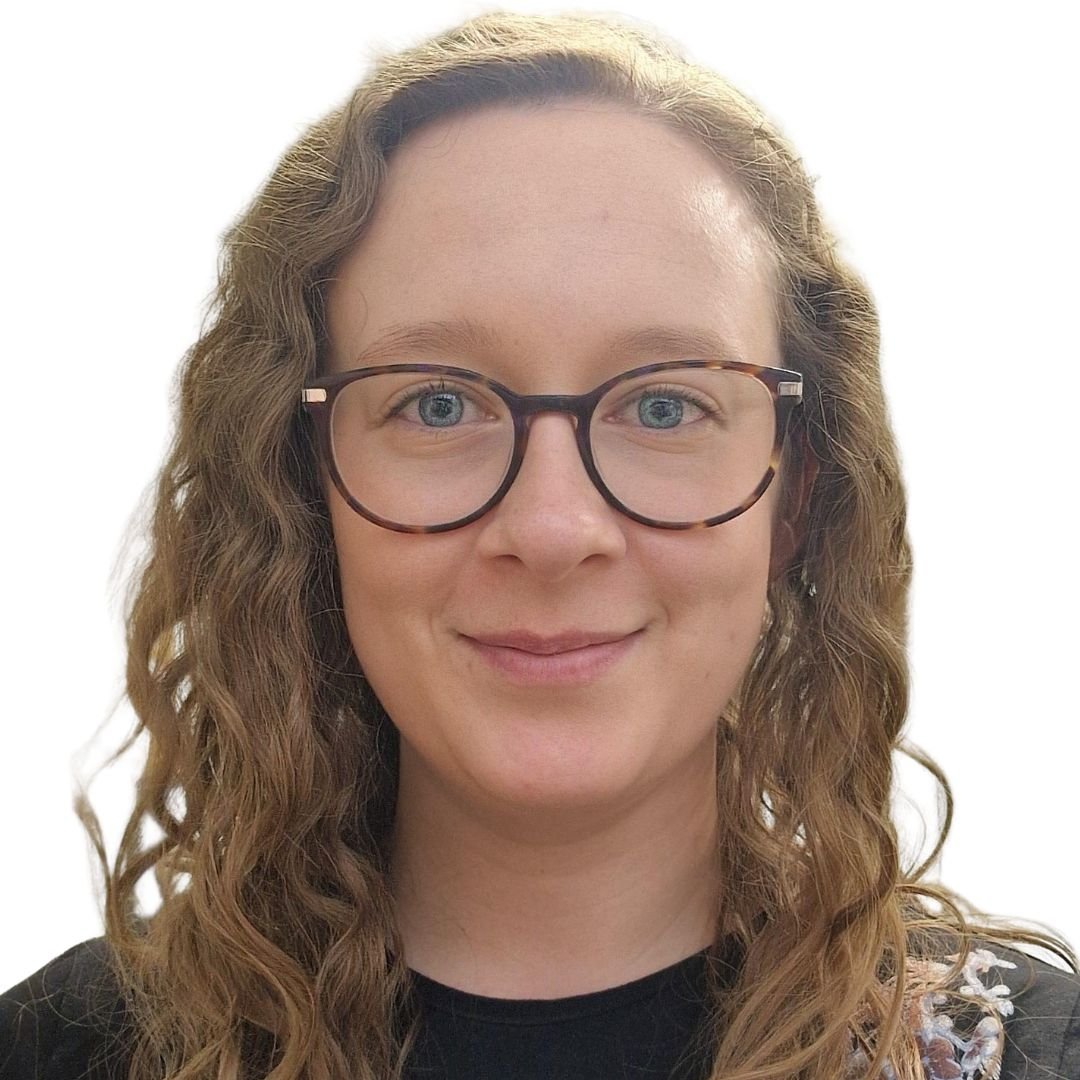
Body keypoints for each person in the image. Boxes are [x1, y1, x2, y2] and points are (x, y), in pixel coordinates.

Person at [2, 10, 1077, 1080]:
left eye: (665, 407)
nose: (554, 530)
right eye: (435, 404)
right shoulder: (64, 1055)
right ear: (301, 485)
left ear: (795, 495)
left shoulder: (1026, 1058)